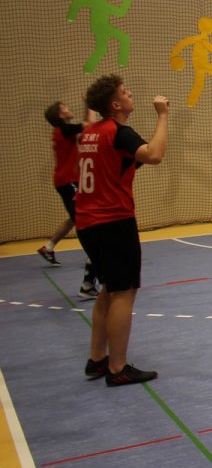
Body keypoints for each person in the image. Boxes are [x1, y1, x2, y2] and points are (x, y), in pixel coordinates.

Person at [74, 75, 169, 386]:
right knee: (123, 293)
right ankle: (117, 367)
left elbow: (126, 162)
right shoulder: (117, 132)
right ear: (115, 105)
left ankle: (97, 358)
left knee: (108, 290)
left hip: (88, 223)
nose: (130, 94)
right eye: (125, 92)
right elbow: (154, 155)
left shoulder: (91, 133)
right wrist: (163, 115)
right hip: (112, 221)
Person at [39, 101, 101, 300]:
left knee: (75, 218)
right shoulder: (63, 130)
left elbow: (86, 127)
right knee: (83, 220)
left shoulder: (65, 131)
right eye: (64, 108)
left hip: (68, 181)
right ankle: (93, 259)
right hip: (67, 181)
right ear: (60, 115)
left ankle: (49, 247)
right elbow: (89, 126)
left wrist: (88, 106)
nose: (68, 109)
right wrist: (90, 105)